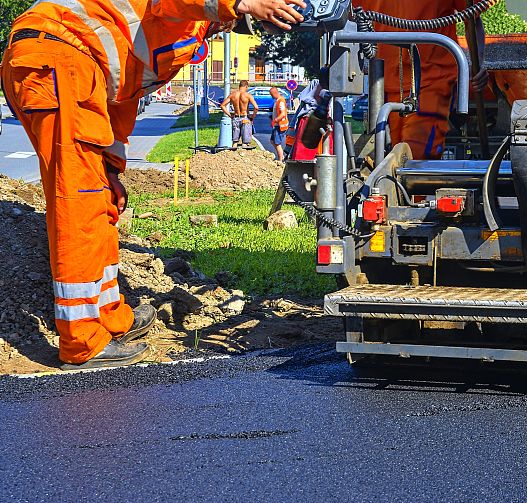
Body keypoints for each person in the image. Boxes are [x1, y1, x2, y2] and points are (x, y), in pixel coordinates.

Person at [1, 0, 306, 370]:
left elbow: (123, 94)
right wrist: (239, 2)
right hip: (59, 57)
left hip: (76, 70)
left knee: (102, 199)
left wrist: (112, 168)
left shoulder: (189, 36)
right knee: (79, 202)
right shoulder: (187, 15)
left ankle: (110, 317)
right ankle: (81, 341)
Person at [353, 0, 487, 159]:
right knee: (398, 154)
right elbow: (345, 15)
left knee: (415, 154)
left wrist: (475, 63)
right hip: (389, 82)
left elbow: (472, 17)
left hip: (433, 79)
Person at [222, 80, 258, 146]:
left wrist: (230, 115)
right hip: (245, 118)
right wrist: (252, 116)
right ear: (246, 86)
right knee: (245, 142)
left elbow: (222, 105)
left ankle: (233, 153)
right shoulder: (248, 95)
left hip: (235, 118)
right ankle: (243, 154)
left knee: (235, 142)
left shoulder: (232, 95)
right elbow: (256, 107)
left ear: (239, 86)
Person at [270, 87, 290, 162]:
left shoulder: (280, 101)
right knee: (272, 141)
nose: (271, 96)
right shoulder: (277, 100)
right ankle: (281, 156)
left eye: (271, 94)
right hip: (277, 125)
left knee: (277, 142)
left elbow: (283, 114)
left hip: (280, 125)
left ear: (274, 93)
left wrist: (275, 120)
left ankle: (281, 159)